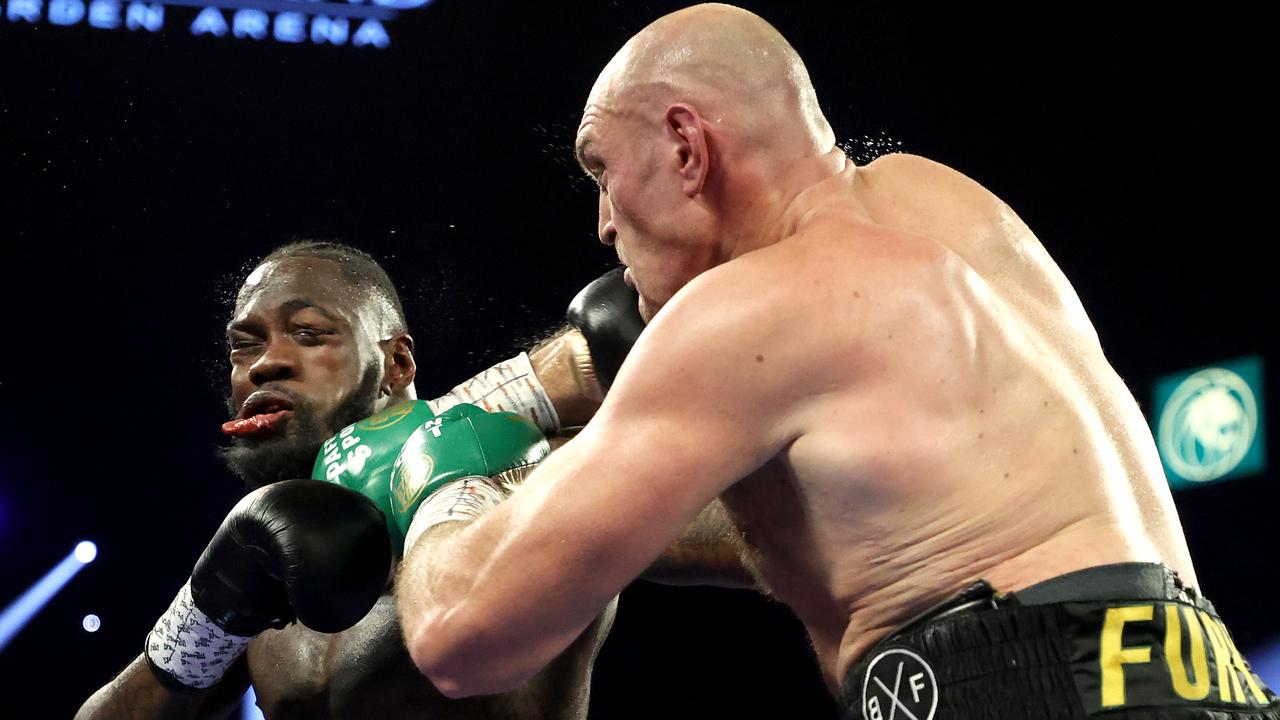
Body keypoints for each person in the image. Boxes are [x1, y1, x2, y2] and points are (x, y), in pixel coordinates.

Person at [391, 5, 1280, 718]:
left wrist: (439, 481)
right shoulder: (944, 203)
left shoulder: (751, 308)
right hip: (1211, 676)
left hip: (1014, 681)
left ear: (686, 146)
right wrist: (554, 489)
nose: (604, 223)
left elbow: (466, 636)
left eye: (602, 173)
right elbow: (805, 527)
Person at [74, 241, 715, 720]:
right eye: (244, 345)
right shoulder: (271, 554)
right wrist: (203, 614)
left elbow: (755, 537)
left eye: (308, 334)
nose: (263, 364)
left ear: (397, 361)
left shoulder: (518, 468)